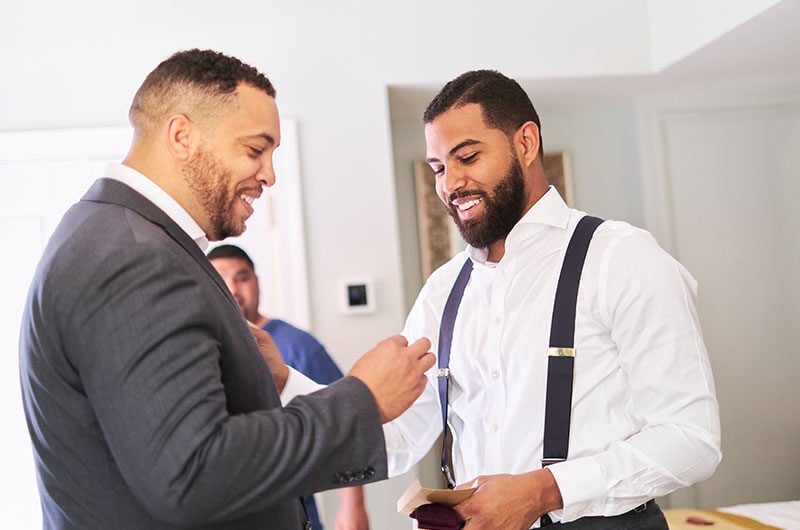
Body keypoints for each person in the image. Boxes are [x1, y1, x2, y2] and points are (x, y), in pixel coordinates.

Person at [18, 48, 434, 530]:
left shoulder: (113, 233)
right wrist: (361, 398)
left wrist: (268, 379)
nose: (270, 175)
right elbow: (193, 476)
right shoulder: (134, 257)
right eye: (256, 150)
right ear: (182, 136)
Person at [379, 70, 723, 529]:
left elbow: (692, 439)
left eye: (468, 157)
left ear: (525, 143)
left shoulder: (621, 258)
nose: (451, 183)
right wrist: (285, 386)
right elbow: (400, 436)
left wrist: (545, 491)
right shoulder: (442, 291)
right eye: (439, 168)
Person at [208, 243, 369, 530]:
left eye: (242, 278)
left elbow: (344, 418)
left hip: (293, 510)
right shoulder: (201, 347)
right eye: (221, 280)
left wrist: (353, 505)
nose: (233, 289)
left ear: (257, 283)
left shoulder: (298, 346)